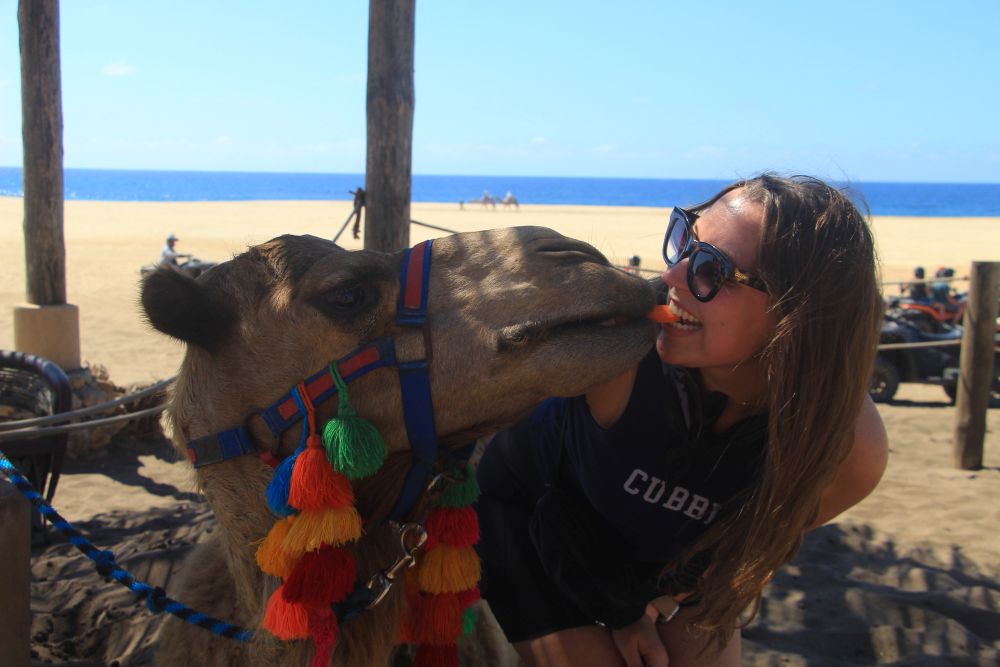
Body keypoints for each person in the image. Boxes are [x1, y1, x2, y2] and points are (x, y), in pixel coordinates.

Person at [476, 174, 889, 667]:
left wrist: (657, 606)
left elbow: (736, 555)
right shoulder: (622, 352)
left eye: (713, 270)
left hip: (664, 570)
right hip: (530, 525)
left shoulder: (847, 450)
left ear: (797, 315)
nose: (672, 278)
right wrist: (621, 614)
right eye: (683, 241)